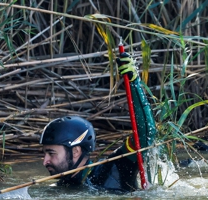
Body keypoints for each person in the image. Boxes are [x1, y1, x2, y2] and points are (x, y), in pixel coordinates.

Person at [39, 53, 156, 192]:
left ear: (76, 151)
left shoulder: (115, 167)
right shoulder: (61, 187)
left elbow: (146, 134)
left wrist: (134, 82)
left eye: (51, 153)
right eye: (45, 154)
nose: (45, 161)